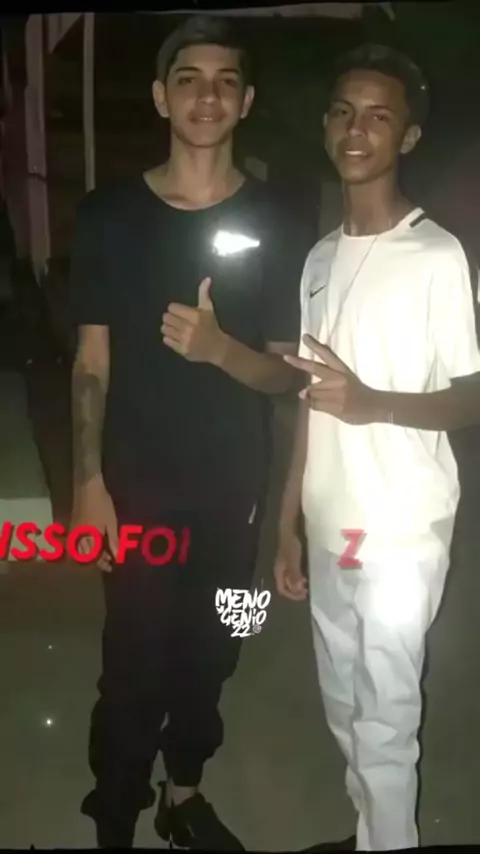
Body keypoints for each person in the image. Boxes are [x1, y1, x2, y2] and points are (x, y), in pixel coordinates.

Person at [69, 14, 310, 851]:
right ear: (160, 97)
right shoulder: (108, 215)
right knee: (134, 659)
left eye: (224, 81)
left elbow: (288, 377)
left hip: (235, 491)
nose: (207, 96)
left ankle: (186, 790)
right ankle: (115, 810)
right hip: (137, 487)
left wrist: (218, 350)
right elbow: (90, 363)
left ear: (246, 101)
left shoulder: (280, 220)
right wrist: (87, 484)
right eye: (188, 79)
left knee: (219, 646)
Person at [274, 43, 480, 852]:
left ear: (408, 136)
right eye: (343, 112)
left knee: (387, 722)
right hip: (332, 525)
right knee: (343, 705)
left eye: (378, 116)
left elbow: (472, 395)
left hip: (401, 533)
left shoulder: (437, 256)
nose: (356, 130)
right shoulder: (320, 258)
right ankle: (373, 834)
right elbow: (311, 400)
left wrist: (374, 404)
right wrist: (288, 520)